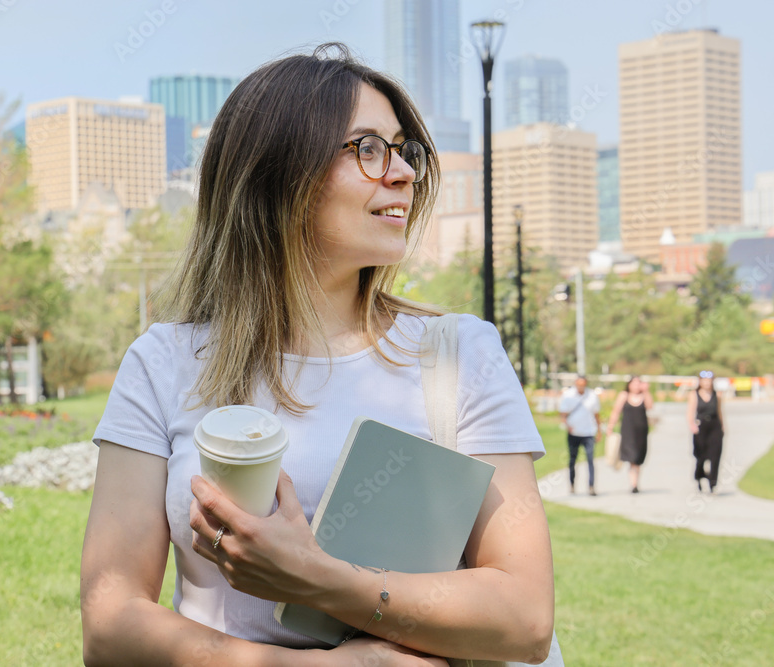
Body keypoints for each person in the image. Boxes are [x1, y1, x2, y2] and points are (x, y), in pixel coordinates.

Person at [80, 44, 554, 666]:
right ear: (279, 174)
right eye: (368, 149)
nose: (403, 173)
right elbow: (110, 627)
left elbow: (525, 618)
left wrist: (318, 579)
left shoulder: (462, 353)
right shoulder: (162, 363)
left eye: (403, 150)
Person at [606, 376, 653, 493]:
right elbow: (616, 411)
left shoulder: (644, 395)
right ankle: (633, 484)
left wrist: (646, 391)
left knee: (638, 458)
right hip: (628, 431)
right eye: (634, 383)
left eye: (638, 383)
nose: (636, 386)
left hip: (641, 432)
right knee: (632, 456)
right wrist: (610, 426)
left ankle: (635, 482)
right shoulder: (624, 395)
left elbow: (650, 406)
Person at [558, 376, 601, 495]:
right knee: (572, 459)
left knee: (590, 460)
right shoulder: (568, 396)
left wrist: (599, 431)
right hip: (574, 433)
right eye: (579, 384)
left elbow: (597, 415)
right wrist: (568, 426)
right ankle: (572, 484)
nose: (581, 387)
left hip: (589, 433)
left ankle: (591, 486)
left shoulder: (592, 396)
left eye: (583, 385)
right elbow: (563, 414)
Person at [687, 370, 725, 493]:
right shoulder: (694, 394)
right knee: (701, 456)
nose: (707, 383)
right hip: (701, 426)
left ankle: (712, 482)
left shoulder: (717, 394)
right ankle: (699, 476)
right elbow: (690, 411)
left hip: (714, 426)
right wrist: (692, 425)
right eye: (704, 381)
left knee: (715, 455)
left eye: (709, 381)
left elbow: (719, 411)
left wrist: (723, 426)